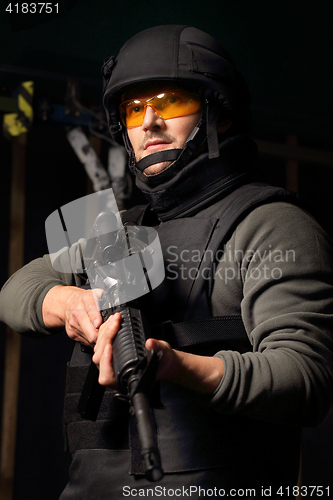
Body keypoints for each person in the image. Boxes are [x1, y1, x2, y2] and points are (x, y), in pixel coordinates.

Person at [1, 25, 333, 499]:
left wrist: (177, 366)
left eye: (170, 101)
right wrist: (67, 301)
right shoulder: (113, 226)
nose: (148, 122)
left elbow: (306, 379)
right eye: (133, 109)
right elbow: (15, 289)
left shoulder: (272, 223)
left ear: (219, 114)